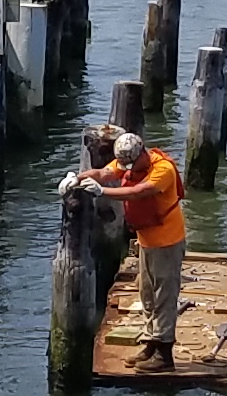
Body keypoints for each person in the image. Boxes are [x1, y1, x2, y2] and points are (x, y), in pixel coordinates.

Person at [74, 127, 187, 367]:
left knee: (164, 295)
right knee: (146, 293)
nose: (126, 171)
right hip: (146, 240)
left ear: (141, 154)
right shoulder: (128, 161)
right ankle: (150, 343)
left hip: (167, 242)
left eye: (129, 166)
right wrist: (79, 178)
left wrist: (103, 192)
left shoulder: (162, 170)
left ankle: (164, 353)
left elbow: (138, 192)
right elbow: (104, 172)